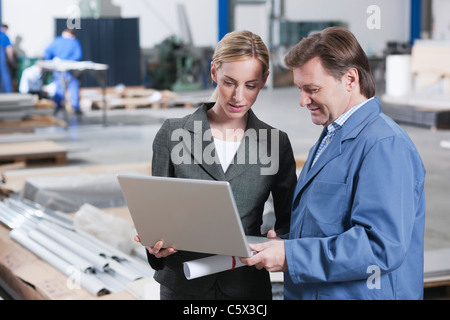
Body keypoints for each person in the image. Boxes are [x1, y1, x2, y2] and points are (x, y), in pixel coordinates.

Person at [240, 27, 426, 300]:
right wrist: (284, 244)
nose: (303, 101)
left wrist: (291, 256)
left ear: (350, 79)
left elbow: (380, 246)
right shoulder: (330, 137)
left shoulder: (384, 145)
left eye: (312, 89)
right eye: (300, 89)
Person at [135, 30, 297, 300]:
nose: (238, 97)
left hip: (246, 287)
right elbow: (157, 216)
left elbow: (288, 222)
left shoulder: (275, 143)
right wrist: (155, 246)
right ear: (213, 72)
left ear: (264, 80)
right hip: (183, 286)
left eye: (251, 85)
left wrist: (279, 242)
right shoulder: (173, 134)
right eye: (229, 82)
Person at [44, 28, 83, 115]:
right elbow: (78, 56)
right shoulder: (74, 42)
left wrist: (52, 60)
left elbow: (47, 52)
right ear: (73, 35)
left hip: (58, 68)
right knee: (73, 87)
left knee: (59, 88)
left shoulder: (57, 40)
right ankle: (75, 107)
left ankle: (56, 107)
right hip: (70, 70)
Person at [0, 26, 14, 93]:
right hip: (1, 56)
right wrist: (11, 60)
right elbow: (9, 49)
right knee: (4, 74)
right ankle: (8, 91)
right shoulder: (4, 36)